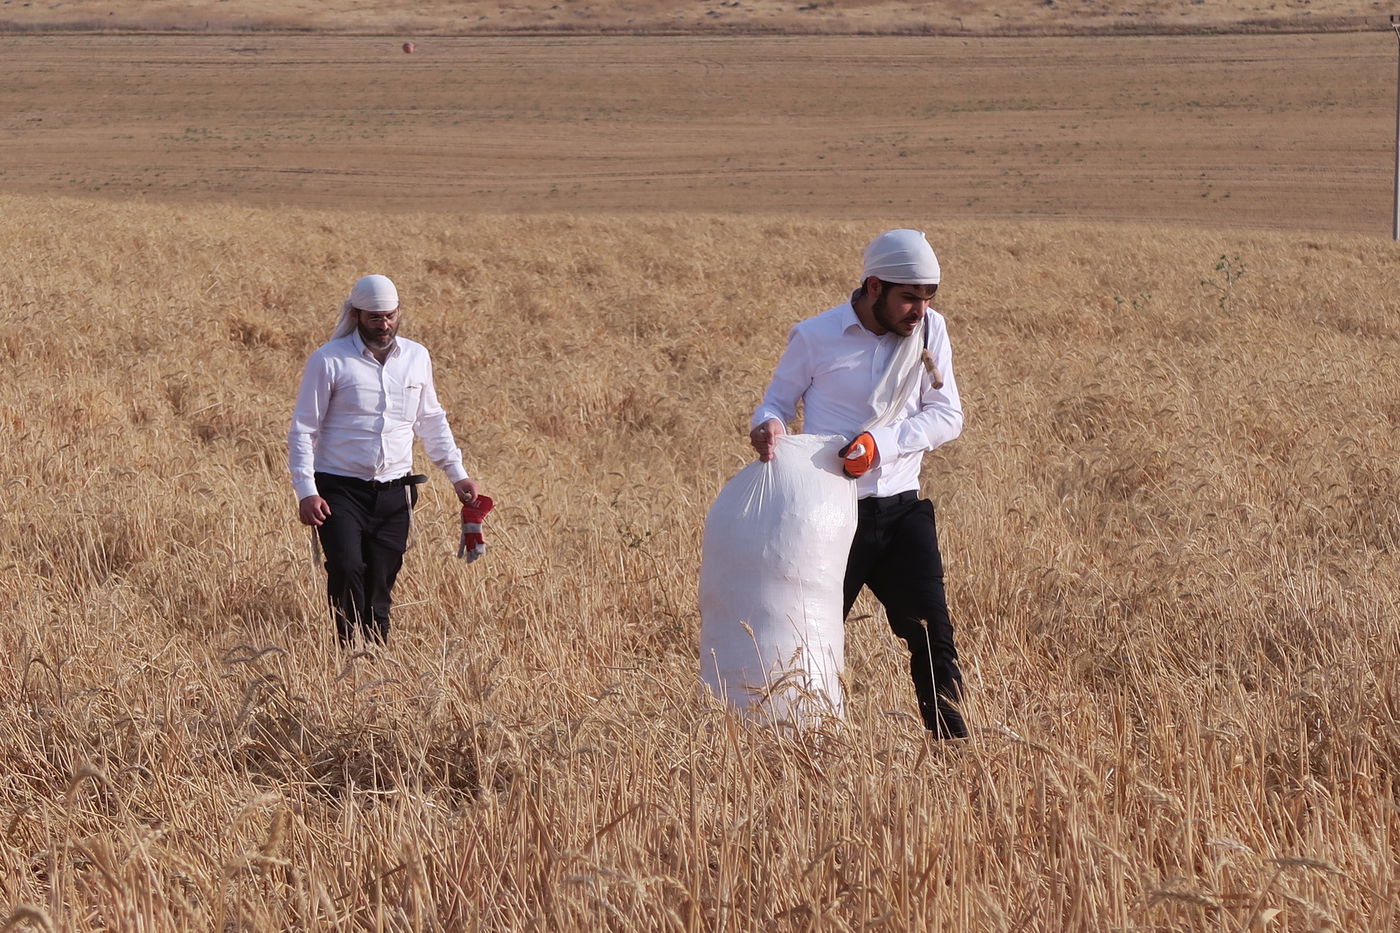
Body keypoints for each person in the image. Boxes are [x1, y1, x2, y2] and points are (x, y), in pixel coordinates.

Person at [749, 229, 968, 738]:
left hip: (902, 511)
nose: (920, 310)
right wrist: (770, 426)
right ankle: (798, 747)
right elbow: (776, 404)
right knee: (809, 640)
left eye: (928, 297)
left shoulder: (931, 331)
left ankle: (955, 750)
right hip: (828, 514)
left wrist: (881, 444)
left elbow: (948, 415)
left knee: (933, 637)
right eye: (909, 298)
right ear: (874, 287)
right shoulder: (814, 336)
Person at [288, 274, 480, 645]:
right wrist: (306, 491)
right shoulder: (329, 361)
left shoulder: (417, 357)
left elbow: (431, 420)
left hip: (396, 491)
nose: (384, 324)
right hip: (339, 489)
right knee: (345, 567)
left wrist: (458, 475)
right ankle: (348, 647)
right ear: (357, 315)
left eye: (390, 316)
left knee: (383, 574)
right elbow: (303, 430)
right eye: (375, 318)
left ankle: (376, 648)